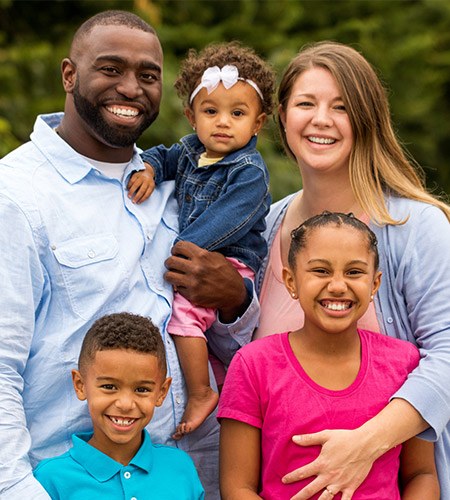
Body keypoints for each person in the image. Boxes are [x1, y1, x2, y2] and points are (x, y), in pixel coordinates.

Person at [0, 10, 257, 499]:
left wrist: (235, 302)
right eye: (111, 69)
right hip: (68, 481)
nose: (131, 88)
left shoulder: (181, 184)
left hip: (188, 477)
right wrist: (17, 490)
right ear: (69, 75)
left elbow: (229, 338)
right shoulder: (17, 195)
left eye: (148, 75)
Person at [253, 41, 450, 499]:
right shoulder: (262, 229)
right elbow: (248, 368)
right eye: (306, 103)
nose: (321, 119)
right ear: (283, 116)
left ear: (365, 121)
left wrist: (365, 444)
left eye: (341, 107)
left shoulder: (413, 227)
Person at [219, 212, 440, 499]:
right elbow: (237, 487)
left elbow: (420, 474)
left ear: (374, 284)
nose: (337, 285)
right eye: (321, 271)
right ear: (291, 281)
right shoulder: (253, 364)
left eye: (354, 272)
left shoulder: (403, 362)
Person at [126, 41, 275, 439]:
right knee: (202, 332)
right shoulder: (191, 150)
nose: (223, 122)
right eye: (211, 111)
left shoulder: (249, 172)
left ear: (258, 123)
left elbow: (228, 220)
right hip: (198, 255)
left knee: (184, 318)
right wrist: (150, 169)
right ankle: (218, 380)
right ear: (192, 117)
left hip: (228, 258)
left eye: (237, 113)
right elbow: (163, 154)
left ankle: (201, 392)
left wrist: (180, 248)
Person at [34, 312, 205, 499]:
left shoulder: (180, 467)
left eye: (141, 389)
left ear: (162, 392)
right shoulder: (51, 479)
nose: (125, 404)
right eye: (109, 387)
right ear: (80, 385)